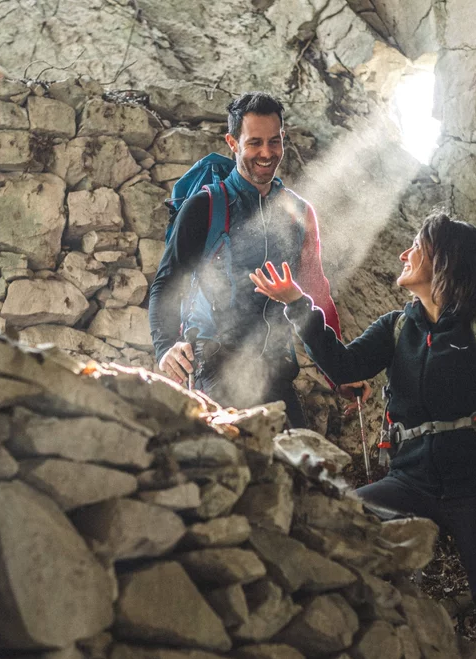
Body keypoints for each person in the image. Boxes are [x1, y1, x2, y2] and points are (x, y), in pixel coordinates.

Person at [250, 212, 476, 659]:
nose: (403, 254)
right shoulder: (396, 326)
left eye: (416, 246)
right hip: (410, 481)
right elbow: (342, 367)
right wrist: (298, 304)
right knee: (338, 521)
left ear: (444, 262)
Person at [147, 92, 367, 427]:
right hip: (214, 367)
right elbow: (167, 282)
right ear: (232, 143)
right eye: (255, 143)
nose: (266, 153)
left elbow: (316, 295)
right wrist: (165, 348)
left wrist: (339, 371)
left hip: (276, 369)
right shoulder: (204, 208)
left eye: (274, 141)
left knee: (300, 470)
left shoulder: (299, 214)